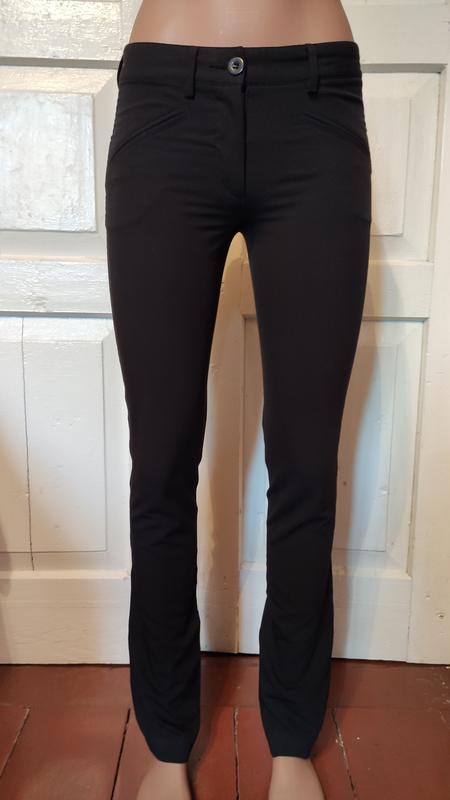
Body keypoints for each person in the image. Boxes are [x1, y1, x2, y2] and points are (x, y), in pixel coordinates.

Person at [104, 1, 372, 798]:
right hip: (166, 107)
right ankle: (165, 743)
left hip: (316, 106)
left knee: (306, 463)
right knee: (161, 460)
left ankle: (292, 738)